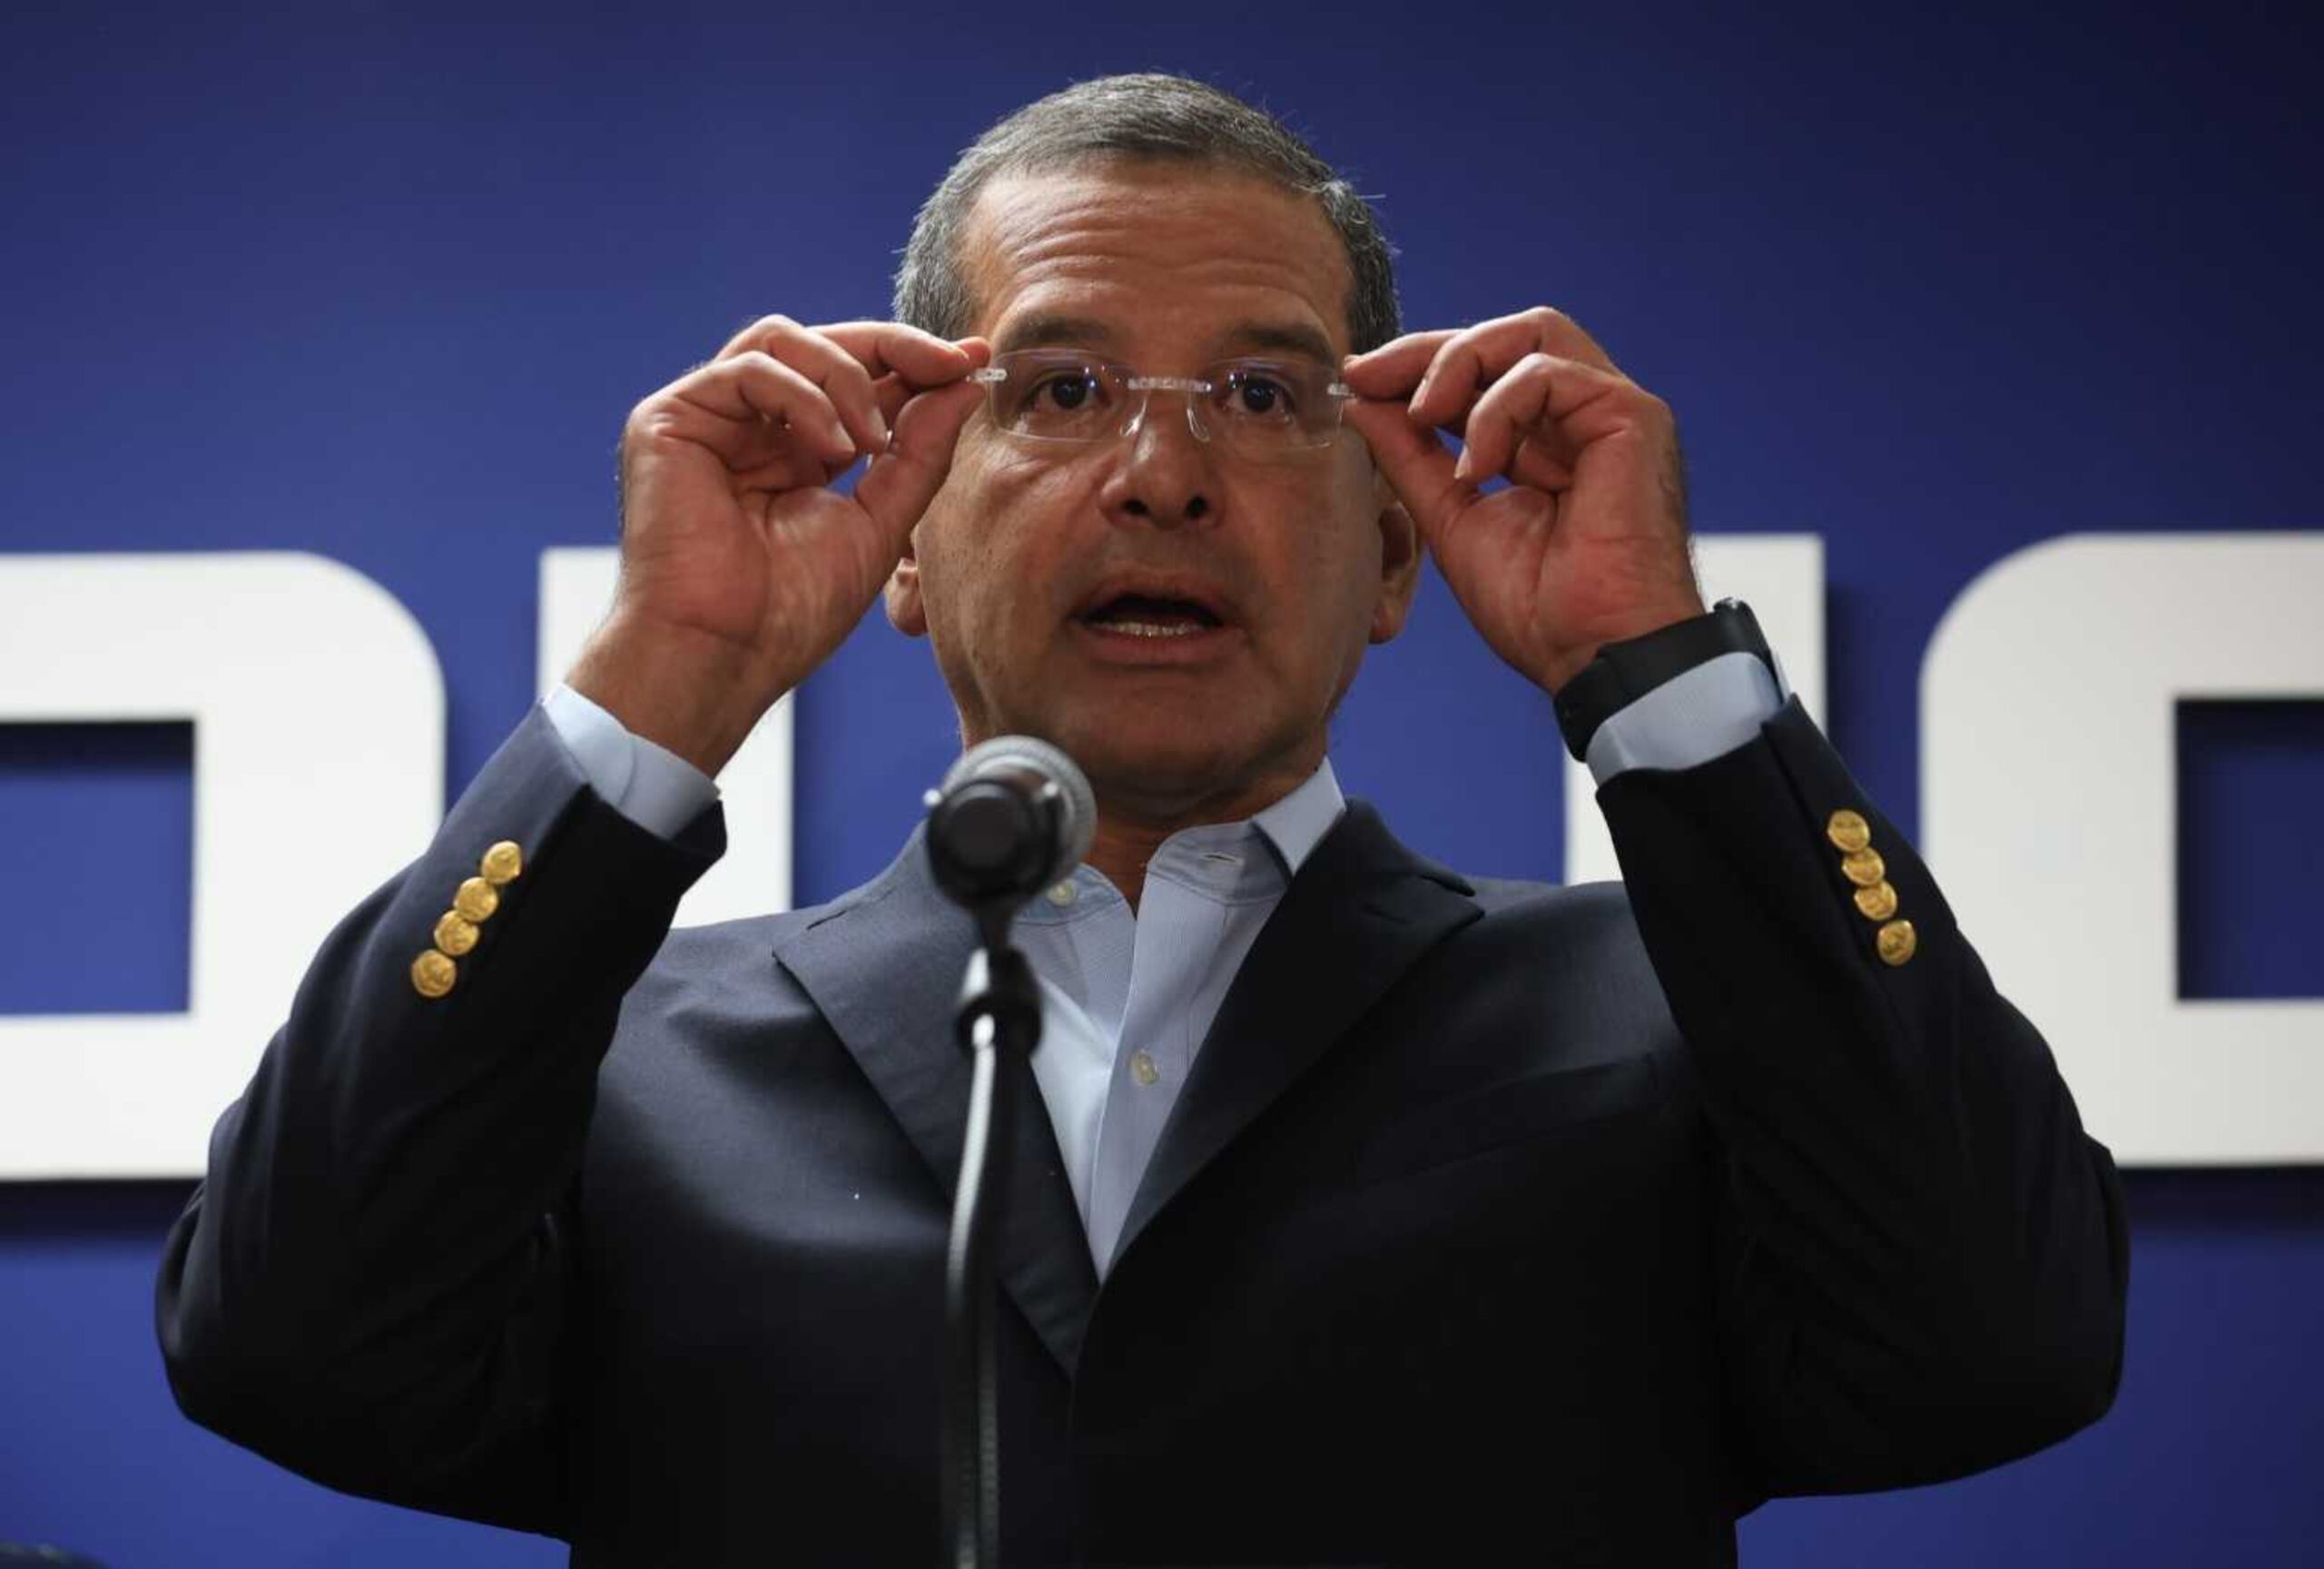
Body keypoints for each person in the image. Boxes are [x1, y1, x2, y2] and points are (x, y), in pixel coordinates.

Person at [155, 73, 2127, 1566]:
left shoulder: (1669, 1017)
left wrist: (1654, 676)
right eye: (1061, 387)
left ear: (1386, 560)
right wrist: (670, 665)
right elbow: (290, 1351)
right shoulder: (621, 1063)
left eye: (1269, 402)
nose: (1161, 475)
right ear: (904, 544)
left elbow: (1994, 1346)